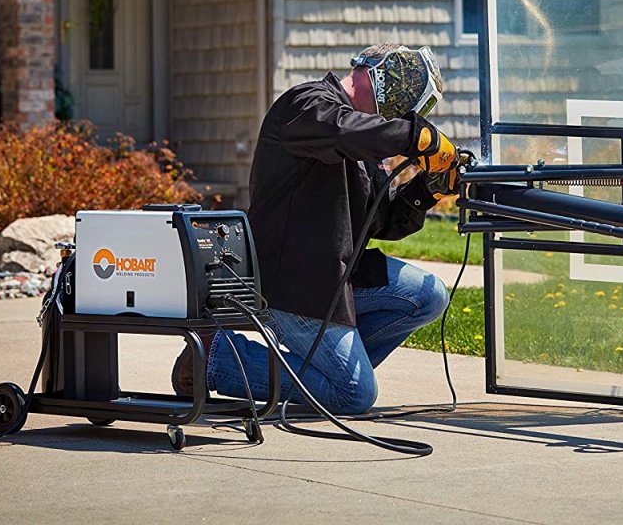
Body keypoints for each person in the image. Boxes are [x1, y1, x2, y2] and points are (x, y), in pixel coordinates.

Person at [171, 44, 460, 414]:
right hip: (290, 284)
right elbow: (342, 132)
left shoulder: (364, 140)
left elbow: (381, 221)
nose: (403, 118)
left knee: (428, 294)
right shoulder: (307, 104)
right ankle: (215, 358)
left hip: (335, 278)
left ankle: (321, 378)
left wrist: (428, 188)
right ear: (392, 89)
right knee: (353, 395)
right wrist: (415, 138)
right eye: (405, 111)